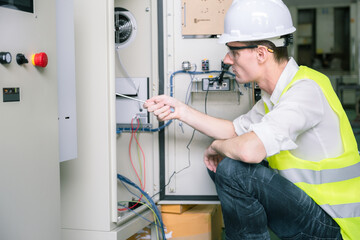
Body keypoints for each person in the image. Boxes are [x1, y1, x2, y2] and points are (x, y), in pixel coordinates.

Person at [144, 0, 360, 239]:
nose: (227, 60)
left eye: (234, 51)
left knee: (234, 169)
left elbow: (249, 151)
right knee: (226, 165)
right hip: (312, 212)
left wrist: (217, 146)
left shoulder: (305, 91)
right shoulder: (275, 96)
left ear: (261, 53)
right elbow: (234, 130)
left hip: (334, 226)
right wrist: (181, 111)